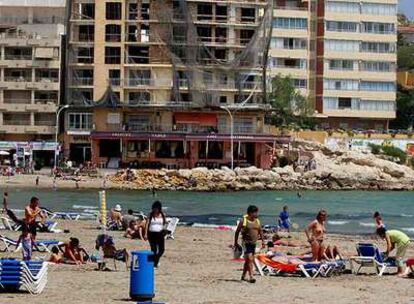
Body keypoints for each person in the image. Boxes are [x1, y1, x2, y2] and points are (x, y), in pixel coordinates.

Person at [234, 205, 264, 283]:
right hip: (246, 243)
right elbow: (237, 232)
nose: (257, 214)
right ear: (250, 213)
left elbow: (260, 231)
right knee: (250, 259)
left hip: (253, 243)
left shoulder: (257, 221)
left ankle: (243, 276)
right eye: (255, 212)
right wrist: (236, 242)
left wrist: (263, 241)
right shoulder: (243, 221)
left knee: (248, 260)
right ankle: (251, 276)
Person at [144, 201, 166, 268]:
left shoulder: (163, 215)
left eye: (156, 208)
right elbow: (147, 224)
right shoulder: (150, 215)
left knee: (162, 250)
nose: (155, 210)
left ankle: (154, 260)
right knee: (154, 250)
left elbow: (164, 223)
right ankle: (154, 263)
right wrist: (145, 234)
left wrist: (165, 230)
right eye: (154, 208)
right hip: (151, 234)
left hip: (160, 234)